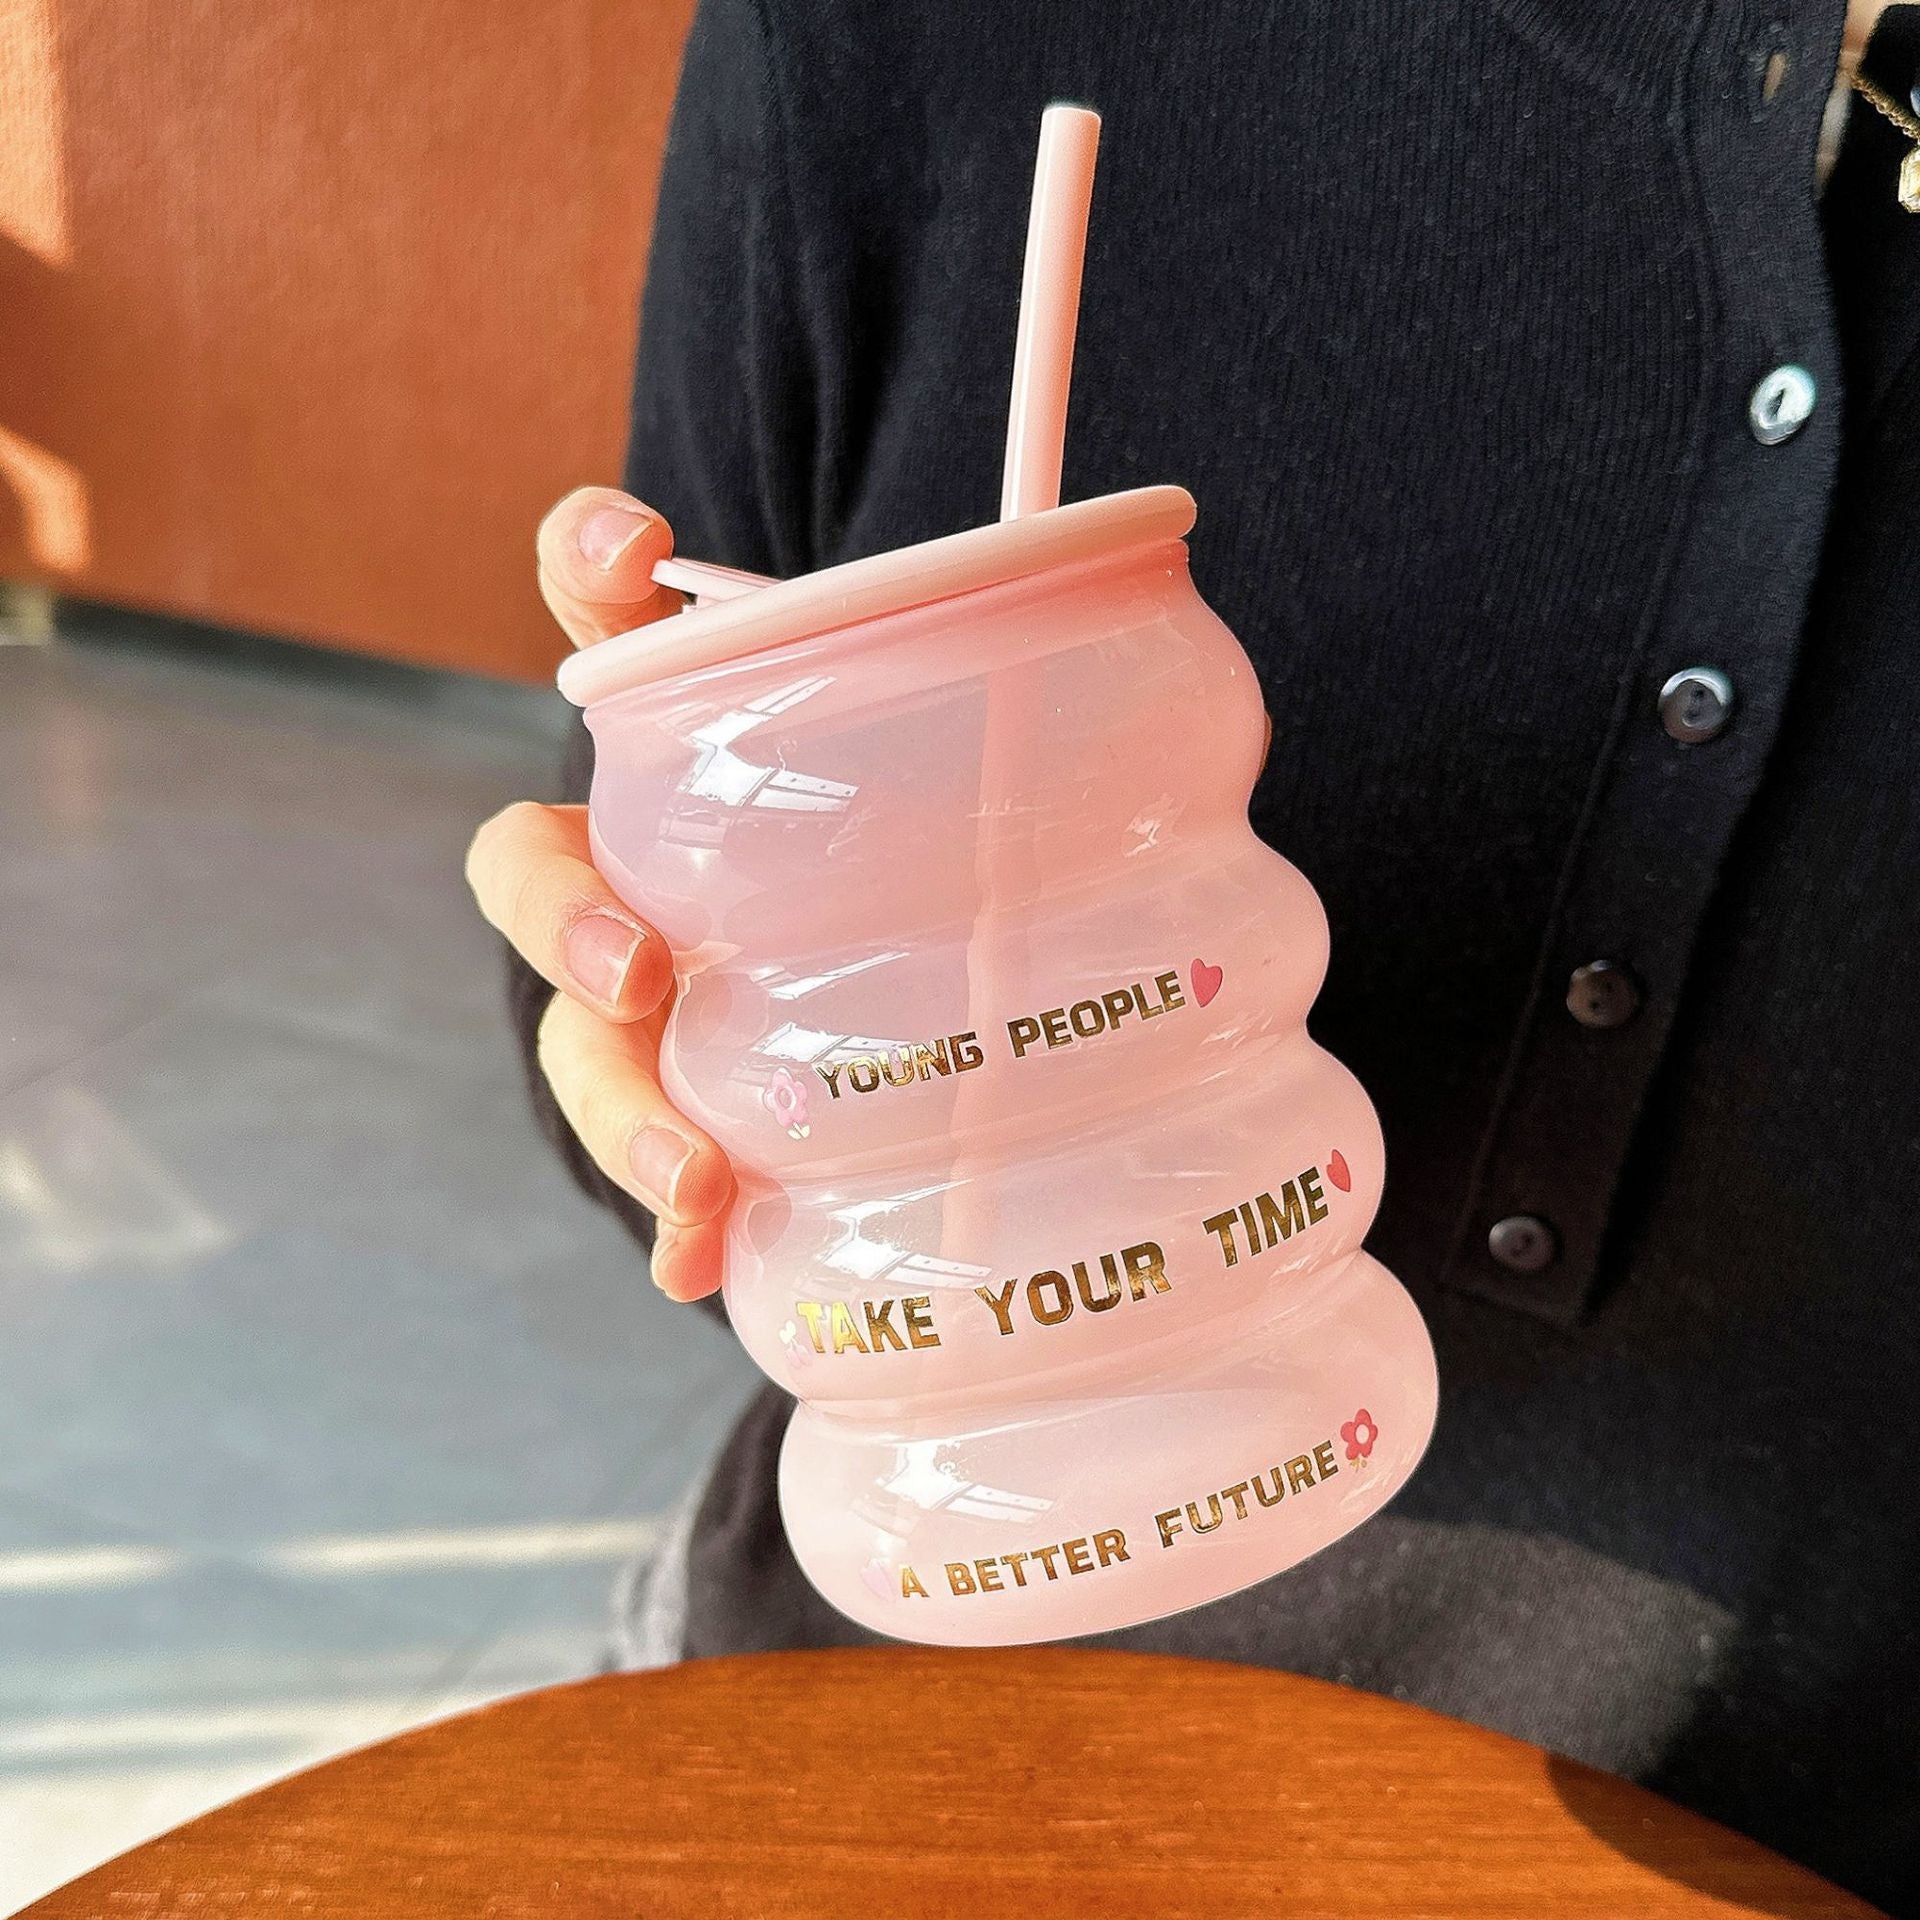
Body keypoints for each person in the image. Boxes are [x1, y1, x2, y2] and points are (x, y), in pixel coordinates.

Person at [465, 1, 1920, 1908]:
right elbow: (639, 972)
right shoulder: (898, 33)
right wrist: (668, 1046)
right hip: (859, 1710)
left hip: (1753, 1830)